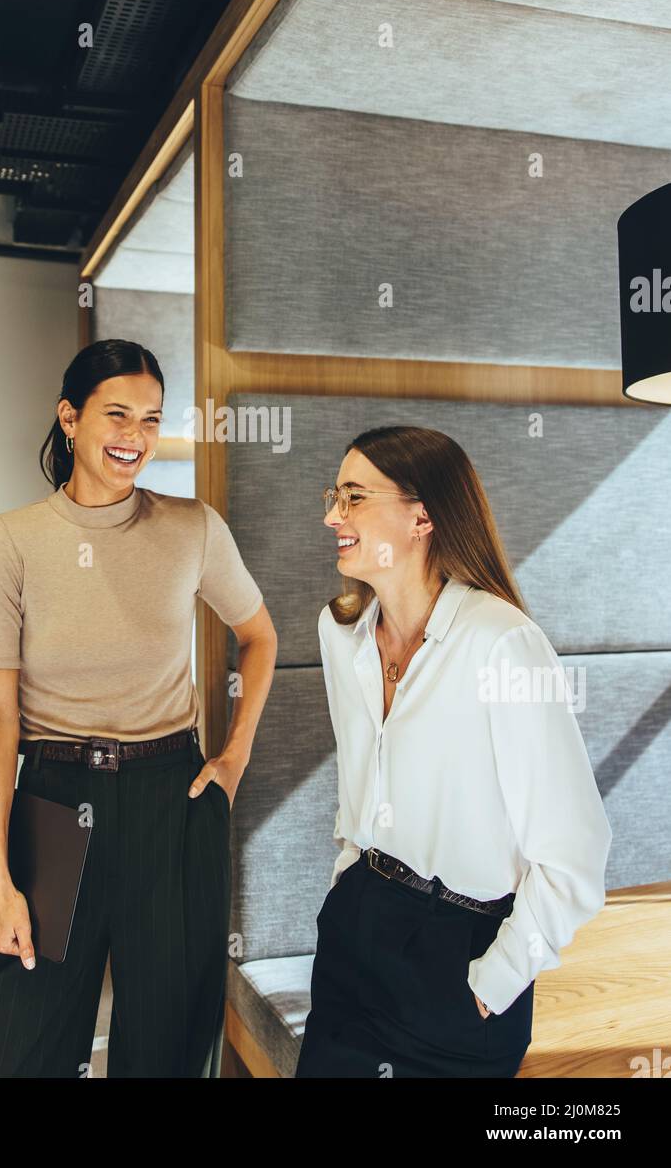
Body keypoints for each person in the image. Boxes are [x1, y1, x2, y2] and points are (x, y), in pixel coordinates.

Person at [0, 339, 277, 1078]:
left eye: (151, 419)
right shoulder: (9, 541)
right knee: (7, 1057)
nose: (135, 436)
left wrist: (233, 760)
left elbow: (258, 636)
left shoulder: (192, 527)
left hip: (173, 798)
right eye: (116, 414)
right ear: (69, 418)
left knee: (166, 1050)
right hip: (51, 802)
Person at [295, 425, 612, 1079]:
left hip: (457, 954)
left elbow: (574, 857)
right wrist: (346, 886)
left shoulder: (502, 646)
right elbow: (359, 786)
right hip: (356, 931)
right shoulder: (340, 632)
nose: (332, 515)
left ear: (422, 516)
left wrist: (491, 984)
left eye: (354, 497)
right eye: (335, 495)